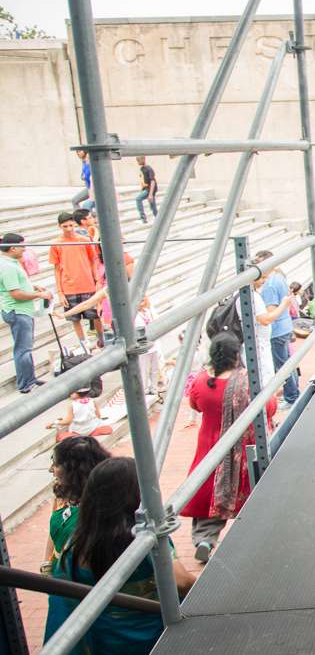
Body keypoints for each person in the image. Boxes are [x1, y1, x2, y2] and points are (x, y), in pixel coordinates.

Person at [44, 456, 195, 654]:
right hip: (153, 637)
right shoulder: (145, 538)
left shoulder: (75, 544)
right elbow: (182, 582)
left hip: (104, 642)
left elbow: (63, 601)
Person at [180, 333, 277, 563]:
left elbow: (195, 404)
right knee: (250, 490)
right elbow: (269, 408)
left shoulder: (202, 381)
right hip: (243, 448)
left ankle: (205, 539)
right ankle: (256, 536)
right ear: (237, 355)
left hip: (211, 447)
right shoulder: (248, 381)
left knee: (209, 493)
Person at [41, 436, 112, 575]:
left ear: (73, 469)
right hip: (59, 573)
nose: (51, 469)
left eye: (55, 464)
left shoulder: (104, 504)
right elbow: (55, 531)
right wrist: (46, 564)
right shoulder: (63, 495)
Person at [1, 233, 52, 393]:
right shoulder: (8, 266)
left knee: (26, 347)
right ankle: (25, 383)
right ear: (13, 248)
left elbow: (18, 285)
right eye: (22, 246)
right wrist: (38, 295)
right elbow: (15, 293)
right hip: (18, 311)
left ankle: (30, 378)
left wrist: (33, 287)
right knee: (23, 349)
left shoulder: (11, 263)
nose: (25, 249)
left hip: (21, 310)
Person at [48, 212, 101, 349]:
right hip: (69, 286)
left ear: (75, 224)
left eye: (71, 225)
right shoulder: (56, 243)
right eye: (65, 226)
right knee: (75, 319)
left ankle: (101, 339)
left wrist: (97, 281)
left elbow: (93, 261)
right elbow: (57, 268)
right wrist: (60, 292)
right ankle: (83, 343)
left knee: (95, 316)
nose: (69, 229)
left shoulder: (84, 240)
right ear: (60, 226)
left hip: (88, 284)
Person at [253, 251, 298, 408]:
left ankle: (291, 396)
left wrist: (283, 306)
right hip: (284, 326)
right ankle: (292, 394)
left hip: (277, 329)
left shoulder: (270, 284)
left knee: (282, 366)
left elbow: (270, 313)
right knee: (287, 363)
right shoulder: (279, 277)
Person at [48, 389, 113, 442]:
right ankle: (90, 434)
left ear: (76, 394)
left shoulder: (72, 405)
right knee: (107, 428)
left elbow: (68, 422)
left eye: (71, 393)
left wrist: (55, 422)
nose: (70, 395)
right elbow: (98, 415)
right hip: (92, 427)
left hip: (78, 430)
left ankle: (79, 436)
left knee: (60, 436)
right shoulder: (92, 401)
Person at [134, 156, 158, 223]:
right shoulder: (142, 169)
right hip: (146, 189)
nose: (137, 162)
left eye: (138, 160)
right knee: (153, 206)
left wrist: (150, 194)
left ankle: (143, 218)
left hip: (150, 189)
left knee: (138, 199)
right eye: (137, 160)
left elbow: (152, 181)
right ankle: (158, 217)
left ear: (143, 159)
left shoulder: (149, 169)